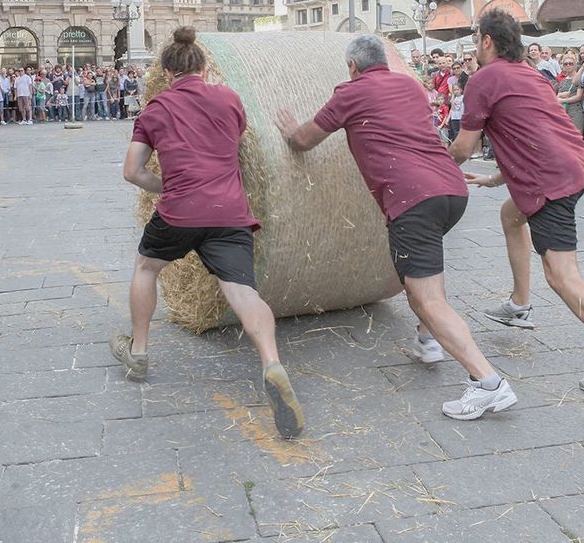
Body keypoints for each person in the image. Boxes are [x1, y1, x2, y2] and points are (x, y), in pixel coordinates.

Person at [276, 34, 514, 421]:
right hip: (451, 191)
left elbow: (305, 140)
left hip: (413, 198)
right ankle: (428, 339)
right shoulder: (410, 85)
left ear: (353, 66)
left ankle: (487, 382)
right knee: (426, 277)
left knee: (426, 297)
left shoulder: (350, 92)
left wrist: (289, 132)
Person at [448, 8, 584, 395]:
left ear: (487, 41)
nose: (476, 46)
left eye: (477, 39)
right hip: (572, 166)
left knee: (561, 274)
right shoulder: (529, 74)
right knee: (511, 214)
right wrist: (496, 178)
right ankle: (520, 303)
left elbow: (461, 147)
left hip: (550, 180)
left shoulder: (483, 79)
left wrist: (428, 162)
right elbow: (533, 133)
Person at [113, 27, 303, 439]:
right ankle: (271, 362)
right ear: (203, 66)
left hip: (180, 212)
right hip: (230, 212)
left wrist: (164, 186)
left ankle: (140, 352)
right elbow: (234, 144)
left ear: (165, 71)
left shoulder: (155, 110)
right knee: (243, 293)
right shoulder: (229, 98)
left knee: (146, 268)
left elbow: (132, 171)